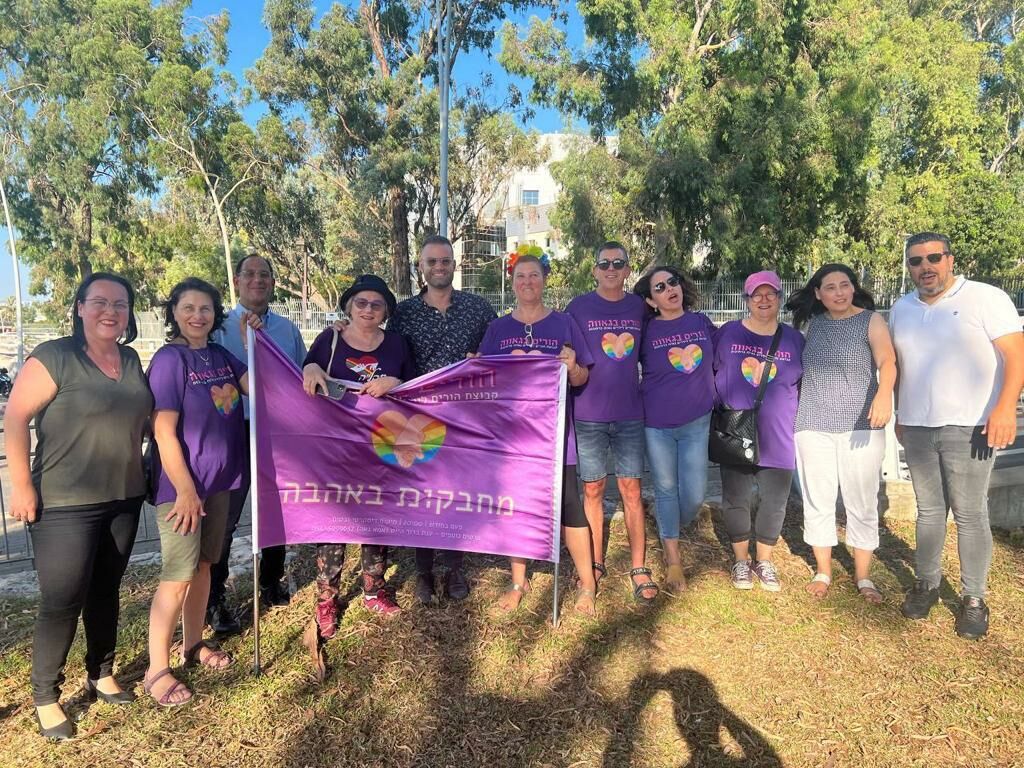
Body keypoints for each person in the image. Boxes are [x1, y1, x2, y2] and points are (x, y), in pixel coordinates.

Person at [3, 273, 152, 739]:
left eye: (121, 304)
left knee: (106, 590)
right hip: (64, 503)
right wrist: (21, 485)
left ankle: (100, 672)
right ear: (80, 307)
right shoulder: (55, 356)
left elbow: (146, 420)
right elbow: (15, 419)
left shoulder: (130, 359)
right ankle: (46, 695)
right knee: (62, 600)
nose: (111, 311)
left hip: (124, 496)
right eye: (100, 302)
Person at [891, 232, 1024, 639]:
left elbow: (1016, 355)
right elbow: (901, 366)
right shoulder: (901, 308)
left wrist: (1005, 408)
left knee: (969, 513)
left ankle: (974, 599)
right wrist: (900, 413)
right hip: (917, 426)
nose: (925, 267)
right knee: (929, 511)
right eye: (916, 261)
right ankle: (927, 584)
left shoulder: (985, 298)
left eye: (934, 258)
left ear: (950, 259)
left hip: (971, 425)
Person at [144, 278, 251, 706]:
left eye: (205, 308)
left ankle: (192, 644)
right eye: (188, 307)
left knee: (205, 566)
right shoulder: (171, 360)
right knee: (177, 576)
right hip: (183, 490)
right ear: (174, 312)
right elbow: (163, 432)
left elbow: (256, 384)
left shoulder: (220, 355)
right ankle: (156, 669)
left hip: (221, 483)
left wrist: (250, 338)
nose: (197, 316)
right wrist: (187, 491)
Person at [477, 253, 598, 615]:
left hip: (556, 437)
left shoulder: (565, 323)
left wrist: (572, 366)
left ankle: (588, 585)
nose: (527, 282)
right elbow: (485, 381)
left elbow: (582, 378)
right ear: (512, 282)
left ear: (544, 280)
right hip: (513, 439)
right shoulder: (497, 329)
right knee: (517, 509)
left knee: (571, 507)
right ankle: (518, 582)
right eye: (520, 276)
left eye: (533, 275)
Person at [301, 275, 415, 642]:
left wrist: (394, 382)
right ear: (349, 306)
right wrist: (310, 367)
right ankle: (326, 601)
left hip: (380, 448)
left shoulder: (397, 344)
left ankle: (373, 590)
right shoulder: (329, 339)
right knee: (333, 523)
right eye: (361, 303)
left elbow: (416, 389)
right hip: (336, 450)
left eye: (376, 304)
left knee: (375, 520)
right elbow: (306, 374)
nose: (368, 309)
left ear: (386, 310)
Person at [388, 235, 496, 604]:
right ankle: (423, 573)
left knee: (455, 492)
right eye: (432, 261)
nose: (439, 267)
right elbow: (386, 353)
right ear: (420, 266)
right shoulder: (404, 314)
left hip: (465, 419)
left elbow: (497, 353)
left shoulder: (478, 309)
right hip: (417, 419)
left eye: (445, 261)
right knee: (422, 497)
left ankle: (454, 568)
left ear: (454, 265)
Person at [207, 254, 307, 633]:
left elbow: (300, 375)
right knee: (225, 518)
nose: (257, 280)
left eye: (264, 274)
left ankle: (270, 580)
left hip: (276, 431)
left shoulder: (286, 329)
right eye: (249, 274)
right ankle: (214, 597)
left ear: (273, 283)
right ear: (236, 280)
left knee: (276, 510)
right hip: (231, 432)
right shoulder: (218, 328)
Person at [785, 264, 896, 603]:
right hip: (812, 423)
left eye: (844, 285)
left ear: (853, 288)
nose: (839, 292)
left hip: (861, 424)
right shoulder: (812, 325)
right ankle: (823, 571)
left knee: (861, 501)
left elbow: (888, 361)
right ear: (818, 294)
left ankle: (863, 576)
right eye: (830, 287)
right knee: (817, 498)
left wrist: (884, 394)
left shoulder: (871, 321)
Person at [566, 243, 658, 603]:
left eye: (618, 263)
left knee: (631, 490)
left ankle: (638, 567)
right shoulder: (578, 308)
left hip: (630, 414)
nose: (610, 268)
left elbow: (661, 340)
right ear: (594, 270)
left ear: (627, 270)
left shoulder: (639, 308)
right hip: (588, 413)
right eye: (604, 263)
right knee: (592, 490)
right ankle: (594, 563)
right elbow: (563, 353)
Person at [712, 271, 804, 591]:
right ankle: (741, 561)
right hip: (737, 430)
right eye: (756, 294)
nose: (764, 300)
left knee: (774, 501)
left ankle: (763, 561)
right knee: (735, 498)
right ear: (747, 300)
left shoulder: (794, 339)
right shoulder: (727, 333)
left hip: (779, 433)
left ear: (779, 298)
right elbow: (709, 372)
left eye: (770, 294)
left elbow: (804, 384)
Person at [634, 265, 716, 595]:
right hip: (657, 424)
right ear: (651, 300)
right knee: (666, 489)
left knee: (694, 495)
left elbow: (724, 358)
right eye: (660, 287)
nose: (670, 289)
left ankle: (666, 519)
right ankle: (673, 559)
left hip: (697, 421)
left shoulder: (701, 323)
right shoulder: (646, 331)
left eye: (673, 282)